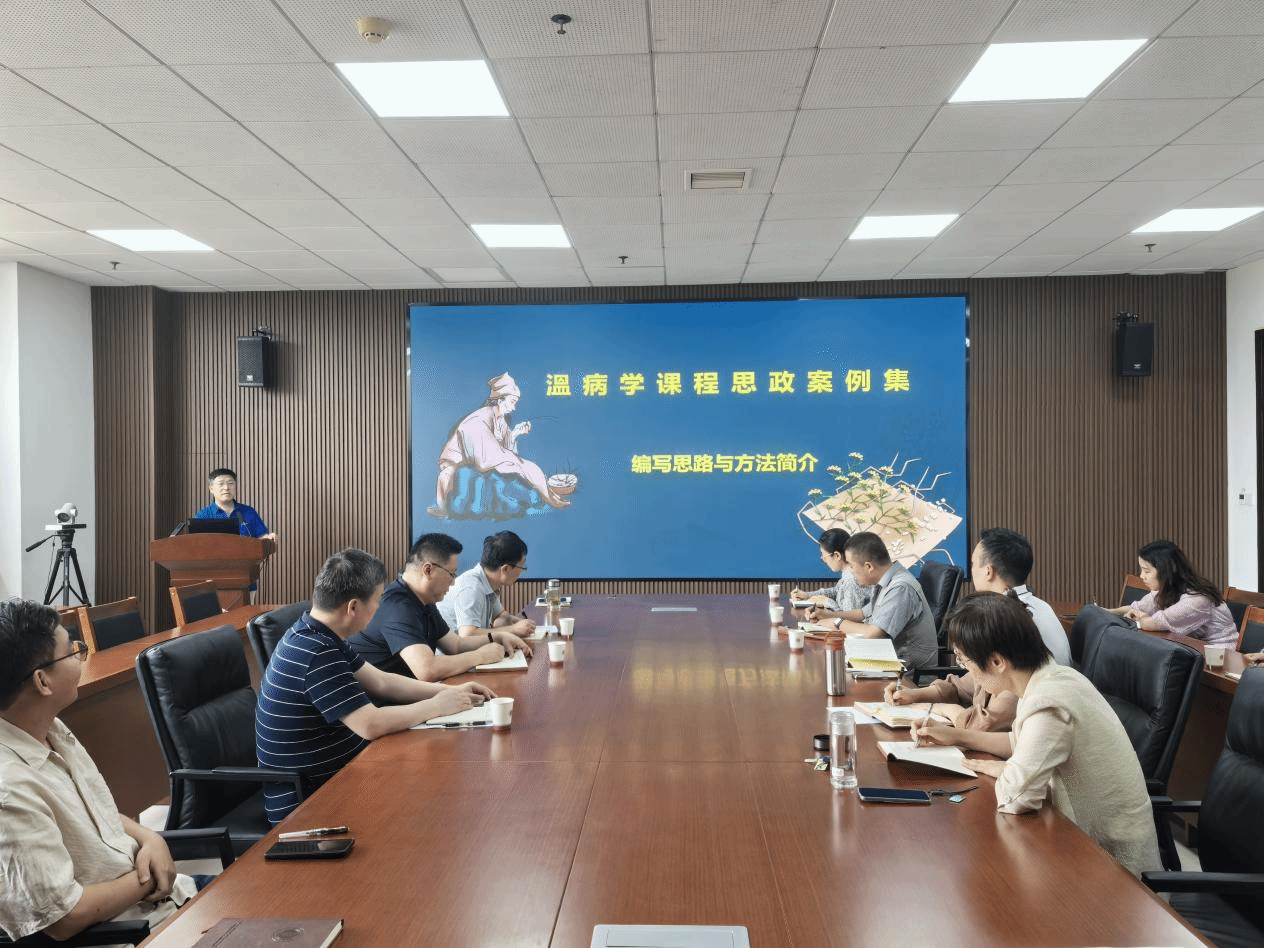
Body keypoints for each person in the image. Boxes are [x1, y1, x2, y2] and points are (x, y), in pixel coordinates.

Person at [0, 599, 196, 943]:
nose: (81, 656)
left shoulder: (50, 727)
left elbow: (94, 810)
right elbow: (65, 917)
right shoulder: (9, 789)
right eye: (72, 651)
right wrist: (147, 879)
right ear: (42, 682)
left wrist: (150, 838)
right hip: (128, 932)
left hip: (165, 903)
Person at [925, 592, 1160, 878]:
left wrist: (1008, 771)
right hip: (1081, 841)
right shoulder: (1051, 678)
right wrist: (957, 737)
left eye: (965, 661)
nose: (969, 673)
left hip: (1113, 870)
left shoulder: (1049, 701)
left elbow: (1017, 797)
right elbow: (1020, 743)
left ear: (997, 662)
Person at [255, 548, 496, 824]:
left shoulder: (318, 631)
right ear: (353, 607)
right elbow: (370, 725)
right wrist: (436, 706)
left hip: (344, 775)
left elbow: (381, 681)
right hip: (309, 805)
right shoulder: (316, 651)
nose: (379, 608)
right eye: (377, 601)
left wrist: (450, 691)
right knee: (434, 806)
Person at [883, 528, 1070, 738]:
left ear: (988, 571)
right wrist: (915, 695)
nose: (971, 571)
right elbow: (972, 683)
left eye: (973, 564)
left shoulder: (1014, 623)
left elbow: (987, 723)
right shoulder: (1032, 607)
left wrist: (937, 708)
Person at [348, 532, 532, 681]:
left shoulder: (424, 600)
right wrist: (481, 656)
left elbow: (456, 645)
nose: (453, 582)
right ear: (428, 570)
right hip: (384, 706)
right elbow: (426, 670)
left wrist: (497, 637)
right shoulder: (397, 606)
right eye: (451, 574)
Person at [431, 372, 570, 517]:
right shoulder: (477, 421)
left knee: (520, 473)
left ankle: (544, 494)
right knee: (512, 477)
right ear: (499, 400)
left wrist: (515, 434)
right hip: (459, 471)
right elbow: (485, 460)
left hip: (482, 469)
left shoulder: (500, 421)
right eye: (512, 402)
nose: (514, 408)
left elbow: (504, 451)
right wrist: (517, 464)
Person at [827, 531, 938, 669]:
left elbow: (872, 635)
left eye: (851, 565)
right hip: (886, 660)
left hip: (907, 675)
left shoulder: (901, 588)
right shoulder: (885, 580)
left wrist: (836, 623)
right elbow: (863, 613)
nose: (850, 570)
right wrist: (827, 615)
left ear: (868, 567)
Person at [1108, 540, 1237, 648]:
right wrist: (1107, 611)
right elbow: (1136, 608)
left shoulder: (1197, 599)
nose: (1141, 576)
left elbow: (1151, 623)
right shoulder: (1167, 590)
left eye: (1146, 571)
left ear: (1166, 572)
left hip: (1221, 656)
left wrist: (1142, 619)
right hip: (1193, 649)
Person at [437, 531, 537, 639]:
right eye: (522, 567)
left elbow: (500, 615)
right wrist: (513, 629)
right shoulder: (472, 588)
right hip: (450, 649)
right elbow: (467, 635)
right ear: (506, 569)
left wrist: (513, 622)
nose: (522, 572)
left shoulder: (488, 582)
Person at [790, 528, 869, 623]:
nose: (824, 560)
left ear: (837, 555)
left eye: (824, 556)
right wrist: (808, 595)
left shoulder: (852, 580)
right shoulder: (848, 572)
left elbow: (848, 620)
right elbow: (836, 591)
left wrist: (828, 602)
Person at [194, 467, 276, 540]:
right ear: (211, 489)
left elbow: (262, 537)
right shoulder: (202, 516)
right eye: (221, 484)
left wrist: (268, 538)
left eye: (230, 483)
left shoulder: (248, 512)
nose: (226, 488)